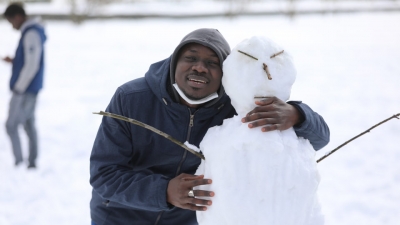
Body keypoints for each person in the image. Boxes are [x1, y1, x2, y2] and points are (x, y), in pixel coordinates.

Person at [90, 28, 330, 225]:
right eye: (191, 58)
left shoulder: (237, 108)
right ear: (175, 63)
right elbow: (104, 174)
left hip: (187, 221)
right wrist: (164, 191)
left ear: (226, 75)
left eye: (212, 62)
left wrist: (298, 115)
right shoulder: (131, 98)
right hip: (120, 216)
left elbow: (320, 138)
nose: (200, 67)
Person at [2, 3, 47, 168]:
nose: (11, 25)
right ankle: (30, 163)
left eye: (10, 21)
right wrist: (14, 61)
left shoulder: (31, 33)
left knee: (12, 125)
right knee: (28, 124)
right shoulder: (30, 32)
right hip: (28, 88)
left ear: (18, 17)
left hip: (26, 90)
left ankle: (21, 163)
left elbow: (32, 65)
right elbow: (29, 61)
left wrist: (18, 88)